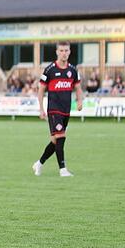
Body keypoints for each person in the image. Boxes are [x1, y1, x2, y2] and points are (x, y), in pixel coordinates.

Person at [32, 41, 83, 178]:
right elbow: (41, 90)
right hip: (54, 110)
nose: (64, 53)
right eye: (61, 50)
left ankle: (39, 163)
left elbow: (78, 88)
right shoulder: (49, 70)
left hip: (66, 110)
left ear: (70, 52)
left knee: (55, 141)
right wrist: (41, 109)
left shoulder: (73, 70)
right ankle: (63, 169)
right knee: (61, 137)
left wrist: (80, 101)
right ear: (57, 52)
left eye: (66, 50)